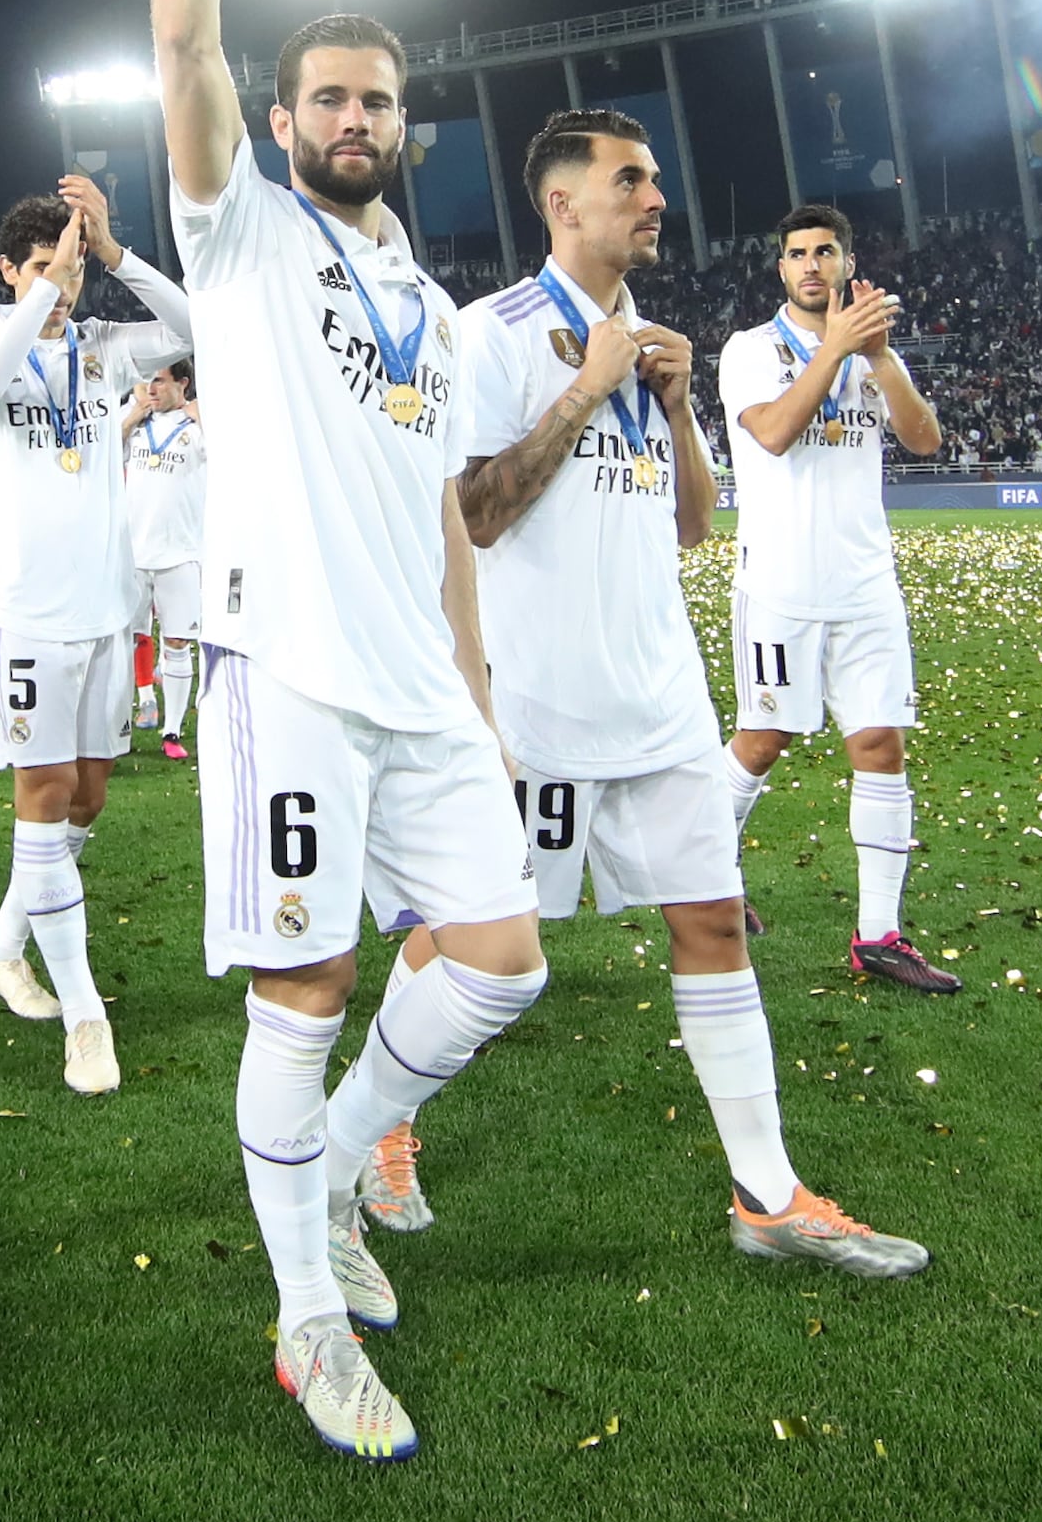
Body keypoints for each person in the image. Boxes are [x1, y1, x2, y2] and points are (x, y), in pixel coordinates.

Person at [144, 0, 536, 1464]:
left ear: (408, 125)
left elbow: (448, 514)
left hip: (422, 689)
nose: (352, 119)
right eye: (326, 97)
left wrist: (475, 681)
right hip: (285, 668)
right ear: (287, 117)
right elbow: (176, 43)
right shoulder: (240, 237)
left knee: (504, 963)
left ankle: (359, 1165)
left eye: (376, 99)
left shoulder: (432, 312)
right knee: (298, 992)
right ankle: (307, 1314)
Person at [377, 117, 924, 1275]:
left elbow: (690, 526)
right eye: (630, 181)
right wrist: (583, 391)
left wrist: (670, 405)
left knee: (713, 924)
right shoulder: (494, 336)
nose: (653, 198)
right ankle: (380, 1128)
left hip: (663, 698)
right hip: (537, 707)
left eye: (656, 180)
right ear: (561, 205)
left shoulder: (651, 341)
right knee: (463, 936)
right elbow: (470, 514)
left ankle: (766, 1196)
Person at [0, 175, 192, 1092]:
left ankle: (2, 949)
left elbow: (193, 329)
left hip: (106, 612)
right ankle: (87, 1019)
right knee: (43, 799)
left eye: (71, 268)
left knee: (88, 800)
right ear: (8, 269)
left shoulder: (106, 351)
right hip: (30, 618)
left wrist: (114, 254)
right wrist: (49, 293)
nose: (66, 284)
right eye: (46, 268)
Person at [718, 204, 951, 990]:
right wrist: (839, 349)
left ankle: (879, 933)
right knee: (762, 741)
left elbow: (926, 440)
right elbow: (776, 430)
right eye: (797, 253)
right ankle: (709, 878)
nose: (811, 264)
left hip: (865, 587)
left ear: (847, 263)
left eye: (825, 251)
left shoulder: (871, 353)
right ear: (781, 269)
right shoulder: (750, 350)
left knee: (881, 745)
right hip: (781, 586)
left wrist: (880, 360)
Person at [117, 356, 204, 759]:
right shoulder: (135, 423)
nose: (150, 389)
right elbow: (98, 449)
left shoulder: (196, 428)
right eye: (146, 382)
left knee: (177, 642)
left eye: (158, 381)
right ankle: (118, 727)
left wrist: (202, 412)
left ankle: (172, 733)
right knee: (122, 640)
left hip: (181, 552)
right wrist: (133, 414)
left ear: (181, 383)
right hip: (132, 551)